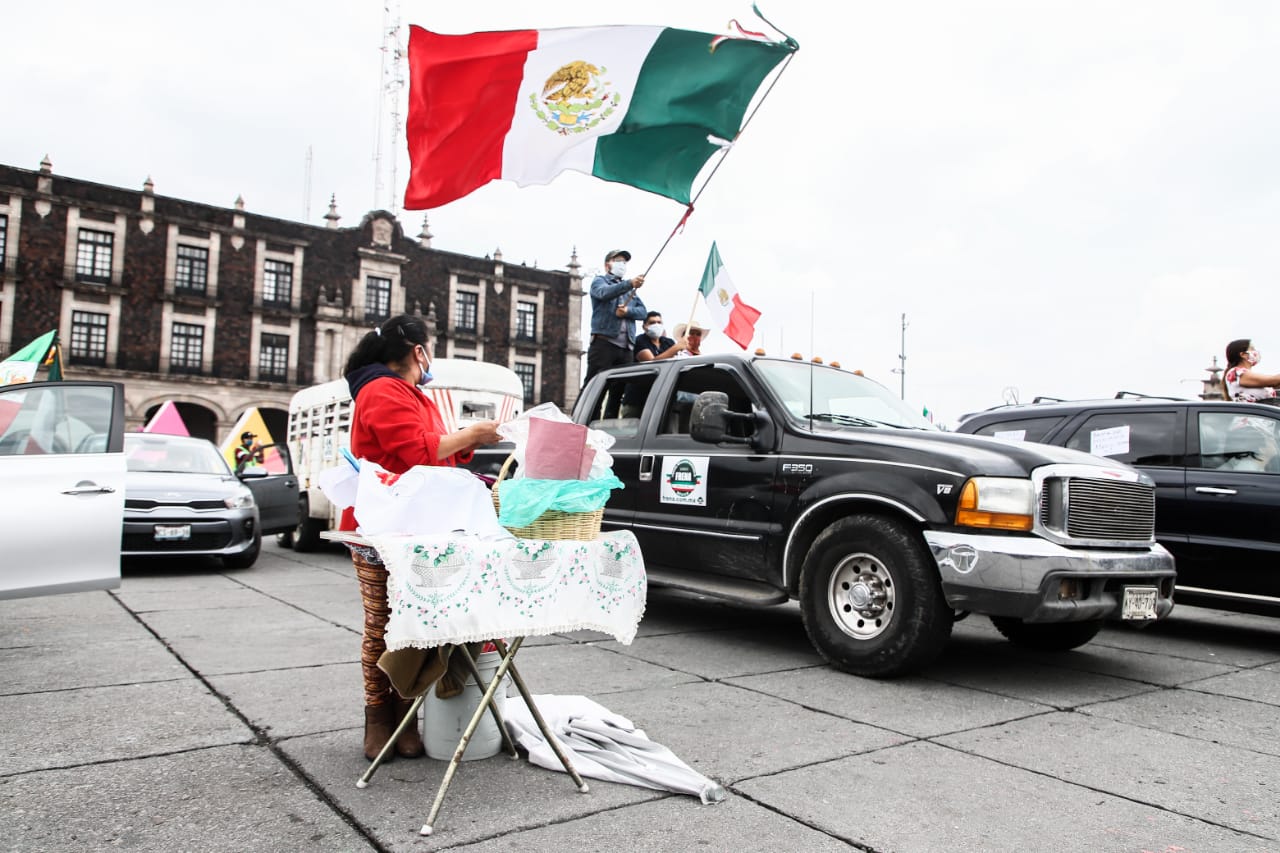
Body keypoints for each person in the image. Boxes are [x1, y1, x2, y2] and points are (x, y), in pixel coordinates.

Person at [340, 314, 503, 761]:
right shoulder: (383, 389)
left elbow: (431, 443)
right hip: (385, 528)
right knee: (383, 623)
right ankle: (378, 719)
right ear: (418, 351)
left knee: (417, 622)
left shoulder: (406, 391)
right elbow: (416, 449)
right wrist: (471, 433)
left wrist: (465, 442)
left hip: (417, 524)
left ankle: (407, 716)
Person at [586, 250, 648, 416]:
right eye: (618, 260)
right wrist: (629, 284)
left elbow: (643, 312)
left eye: (625, 262)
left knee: (618, 390)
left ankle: (608, 424)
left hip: (626, 347)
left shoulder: (630, 291)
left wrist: (627, 311)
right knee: (595, 387)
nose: (622, 264)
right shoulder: (600, 281)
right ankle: (587, 424)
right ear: (608, 264)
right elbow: (604, 293)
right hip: (604, 343)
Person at [620, 312, 687, 417]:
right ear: (644, 326)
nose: (656, 325)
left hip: (661, 400)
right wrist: (675, 348)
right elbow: (652, 363)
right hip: (637, 400)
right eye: (652, 322)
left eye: (659, 322)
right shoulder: (639, 341)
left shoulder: (668, 342)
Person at [1223, 339, 1280, 403]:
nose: (1256, 352)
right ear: (1243, 355)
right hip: (1253, 412)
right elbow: (1272, 381)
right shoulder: (1236, 373)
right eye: (1252, 349)